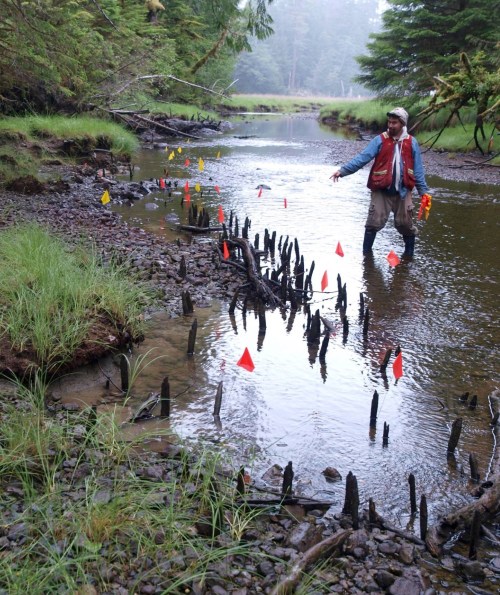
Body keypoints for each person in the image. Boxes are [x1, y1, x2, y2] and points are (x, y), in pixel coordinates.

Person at [331, 107, 430, 257]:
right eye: (389, 122)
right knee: (372, 224)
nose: (390, 125)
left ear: (402, 124)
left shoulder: (412, 143)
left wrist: (423, 192)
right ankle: (366, 257)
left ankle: (409, 257)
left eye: (394, 123)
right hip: (381, 191)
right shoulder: (380, 140)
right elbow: (363, 158)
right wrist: (343, 171)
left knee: (406, 226)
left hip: (403, 192)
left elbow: (418, 170)